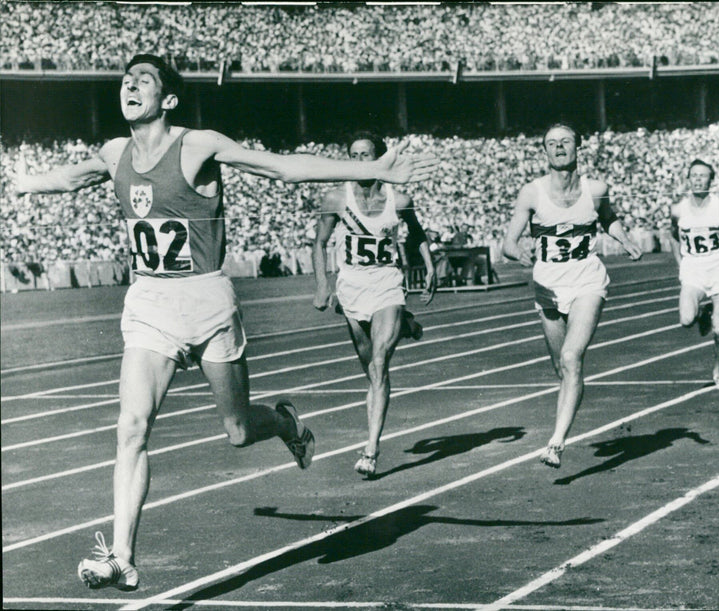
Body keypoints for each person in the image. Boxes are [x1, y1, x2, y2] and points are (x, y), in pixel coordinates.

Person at [12, 54, 437, 591]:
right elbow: (74, 178)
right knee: (132, 428)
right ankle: (121, 553)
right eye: (125, 80)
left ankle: (283, 422)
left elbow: (281, 166)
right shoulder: (114, 151)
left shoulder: (199, 145)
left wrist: (372, 170)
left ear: (167, 99)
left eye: (143, 81)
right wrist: (26, 183)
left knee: (238, 431)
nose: (129, 86)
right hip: (149, 303)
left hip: (207, 301)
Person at [502, 122, 642, 469]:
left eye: (566, 141)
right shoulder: (531, 192)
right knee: (560, 367)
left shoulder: (596, 189)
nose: (559, 147)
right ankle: (570, 400)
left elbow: (608, 219)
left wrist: (624, 240)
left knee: (571, 357)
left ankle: (556, 442)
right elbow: (508, 241)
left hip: (587, 280)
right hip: (548, 284)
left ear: (579, 147)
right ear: (544, 151)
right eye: (552, 143)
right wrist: (516, 252)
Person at [312, 131, 437, 477]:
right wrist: (323, 284)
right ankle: (406, 324)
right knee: (369, 369)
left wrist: (429, 267)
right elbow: (320, 244)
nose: (359, 161)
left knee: (380, 364)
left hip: (387, 283)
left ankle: (370, 449)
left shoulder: (400, 199)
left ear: (380, 158)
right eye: (353, 154)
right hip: (352, 286)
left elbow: (417, 233)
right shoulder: (336, 198)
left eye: (366, 154)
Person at [669, 159, 719, 390]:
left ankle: (718, 371)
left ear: (711, 179)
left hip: (718, 266)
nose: (698, 179)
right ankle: (703, 311)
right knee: (686, 320)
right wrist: (680, 263)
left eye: (703, 175)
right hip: (693, 268)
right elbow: (672, 235)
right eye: (694, 175)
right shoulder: (678, 208)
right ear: (688, 179)